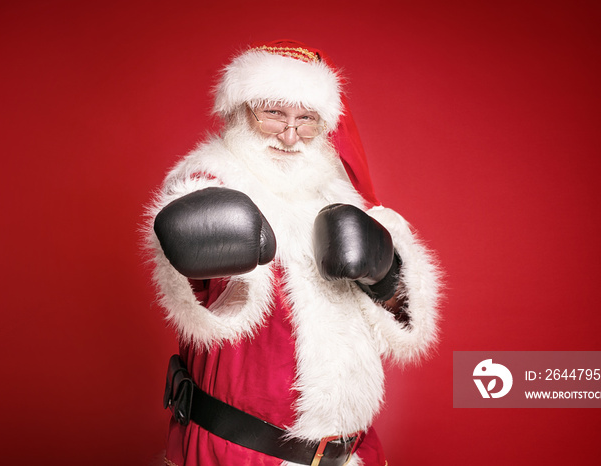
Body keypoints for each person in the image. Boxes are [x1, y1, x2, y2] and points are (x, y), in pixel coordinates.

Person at [147, 39, 440, 466]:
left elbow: (400, 321)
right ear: (240, 111)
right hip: (246, 452)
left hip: (353, 451)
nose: (290, 135)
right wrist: (208, 239)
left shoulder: (341, 194)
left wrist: (386, 277)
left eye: (306, 119)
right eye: (273, 114)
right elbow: (198, 291)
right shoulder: (211, 181)